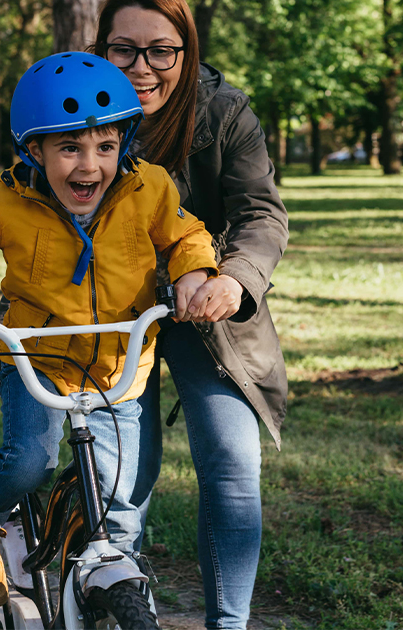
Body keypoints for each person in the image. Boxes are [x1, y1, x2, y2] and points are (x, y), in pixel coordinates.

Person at [0, 51, 220, 610]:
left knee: (121, 504)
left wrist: (195, 274)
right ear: (34, 151)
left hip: (121, 367)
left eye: (105, 147)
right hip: (35, 361)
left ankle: (104, 592)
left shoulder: (152, 189)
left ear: (124, 144)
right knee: (28, 464)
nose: (89, 165)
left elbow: (188, 237)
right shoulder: (5, 200)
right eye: (69, 147)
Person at [96, 1, 291, 628]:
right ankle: (122, 610)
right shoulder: (71, 101)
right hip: (103, 313)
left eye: (162, 51)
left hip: (206, 312)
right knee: (124, 476)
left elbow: (262, 213)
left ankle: (228, 625)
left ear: (187, 50)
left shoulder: (225, 111)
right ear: (102, 47)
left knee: (233, 464)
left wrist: (234, 279)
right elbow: (28, 224)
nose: (142, 68)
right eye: (123, 49)